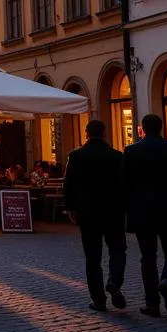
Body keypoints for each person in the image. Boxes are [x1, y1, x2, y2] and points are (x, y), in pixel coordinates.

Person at [123, 113, 167, 317]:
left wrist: (128, 210)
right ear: (161, 128)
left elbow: (124, 184)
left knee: (148, 257)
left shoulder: (131, 151)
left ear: (142, 129)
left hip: (143, 213)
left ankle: (152, 303)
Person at [62, 120, 126, 312]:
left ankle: (98, 299)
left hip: (87, 213)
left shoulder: (76, 156)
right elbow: (124, 184)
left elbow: (69, 184)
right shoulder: (117, 156)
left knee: (92, 257)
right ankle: (114, 280)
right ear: (105, 133)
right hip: (113, 212)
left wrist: (71, 208)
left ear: (86, 133)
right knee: (117, 249)